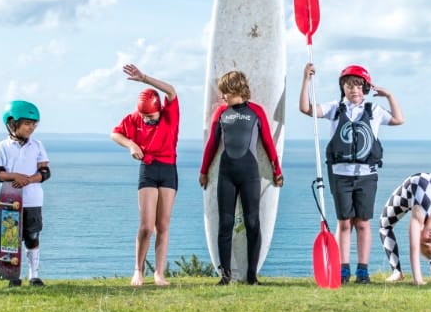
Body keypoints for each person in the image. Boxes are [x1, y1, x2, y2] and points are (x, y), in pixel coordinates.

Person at [298, 61, 405, 283]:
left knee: (363, 223)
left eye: (358, 85)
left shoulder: (373, 111)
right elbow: (306, 109)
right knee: (344, 222)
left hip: (367, 175)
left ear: (365, 88)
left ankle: (363, 270)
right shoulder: (335, 109)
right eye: (349, 85)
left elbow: (398, 119)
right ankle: (343, 268)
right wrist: (306, 79)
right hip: (340, 175)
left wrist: (389, 95)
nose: (354, 89)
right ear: (343, 88)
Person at [200, 70, 284, 285]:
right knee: (225, 224)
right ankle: (225, 277)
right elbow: (212, 144)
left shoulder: (256, 111)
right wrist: (203, 171)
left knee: (252, 223)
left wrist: (277, 171)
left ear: (234, 89)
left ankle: (252, 276)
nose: (222, 97)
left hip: (250, 174)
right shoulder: (221, 112)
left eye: (224, 92)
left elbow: (268, 142)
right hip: (226, 174)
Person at [110, 64, 180, 287]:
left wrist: (144, 78)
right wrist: (131, 144)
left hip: (168, 170)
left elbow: (171, 90)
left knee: (163, 225)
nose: (148, 120)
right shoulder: (134, 118)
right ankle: (138, 270)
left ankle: (159, 273)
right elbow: (115, 134)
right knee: (146, 226)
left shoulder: (169, 115)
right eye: (144, 116)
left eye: (151, 116)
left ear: (159, 109)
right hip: (148, 170)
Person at [0, 100, 50, 287]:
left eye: (34, 124)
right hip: (10, 199)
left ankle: (34, 275)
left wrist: (29, 179)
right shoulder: (1, 146)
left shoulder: (37, 145)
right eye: (27, 123)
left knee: (32, 236)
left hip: (33, 199)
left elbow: (45, 172)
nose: (31, 128)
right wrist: (15, 176)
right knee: (10, 238)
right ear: (12, 123)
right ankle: (12, 275)